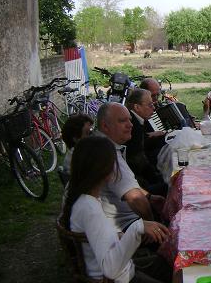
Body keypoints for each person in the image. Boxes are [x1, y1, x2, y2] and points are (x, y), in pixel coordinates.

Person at [60, 135, 171, 283]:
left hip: (125, 269)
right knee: (180, 267)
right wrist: (138, 227)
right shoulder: (88, 207)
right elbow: (111, 270)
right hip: (118, 278)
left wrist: (126, 235)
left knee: (172, 262)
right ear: (105, 170)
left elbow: (101, 238)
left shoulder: (85, 198)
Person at [97, 102, 165, 231]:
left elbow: (129, 185)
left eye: (130, 119)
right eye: (122, 121)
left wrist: (150, 197)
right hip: (122, 228)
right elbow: (135, 199)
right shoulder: (107, 155)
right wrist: (153, 224)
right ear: (105, 126)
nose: (131, 125)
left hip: (123, 221)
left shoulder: (102, 144)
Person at [124, 88, 168, 197]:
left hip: (135, 175)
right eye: (150, 105)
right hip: (135, 182)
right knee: (169, 186)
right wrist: (157, 178)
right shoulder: (133, 125)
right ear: (137, 107)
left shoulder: (136, 119)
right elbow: (137, 160)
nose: (154, 108)